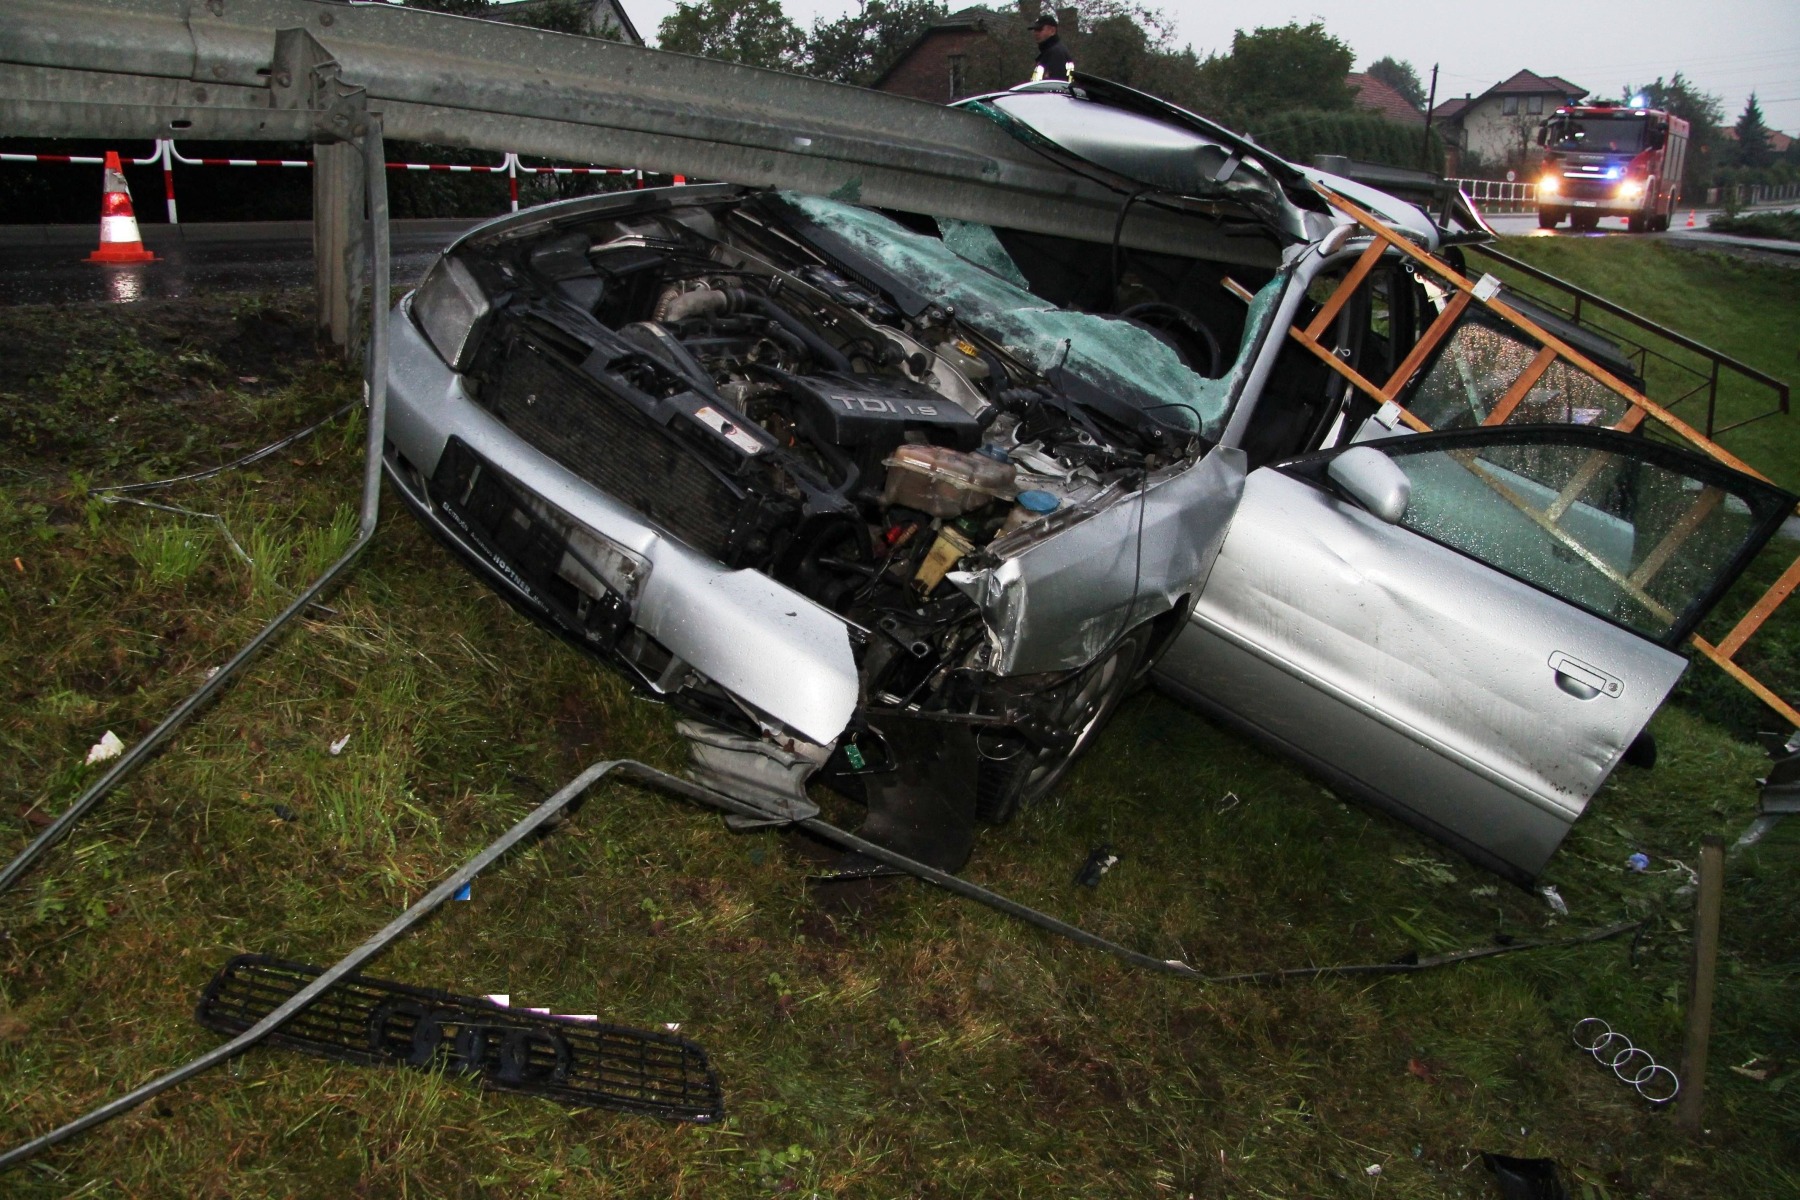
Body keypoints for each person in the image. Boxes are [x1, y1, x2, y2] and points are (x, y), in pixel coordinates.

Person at [1029, 13, 1073, 84]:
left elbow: (1056, 85)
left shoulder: (1056, 53)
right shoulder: (1049, 52)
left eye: (1040, 29)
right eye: (1035, 30)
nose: (1036, 33)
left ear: (1052, 31)